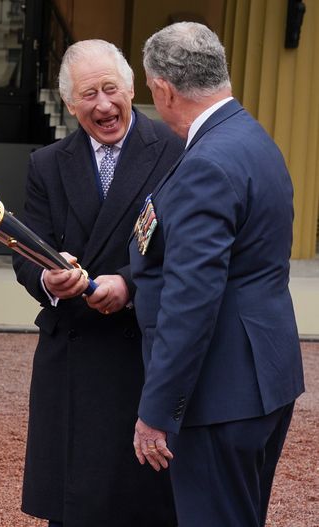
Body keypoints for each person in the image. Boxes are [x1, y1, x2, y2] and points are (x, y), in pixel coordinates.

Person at [130, 22, 305, 527]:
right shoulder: (252, 137)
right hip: (264, 377)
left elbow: (192, 299)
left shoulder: (207, 160)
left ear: (162, 90)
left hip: (219, 393)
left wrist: (157, 411)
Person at [13, 39, 184, 527]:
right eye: (89, 95)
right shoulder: (47, 163)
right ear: (70, 104)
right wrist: (48, 275)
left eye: (111, 89)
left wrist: (130, 284)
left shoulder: (174, 151)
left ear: (131, 89)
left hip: (141, 353)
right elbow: (28, 252)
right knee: (76, 508)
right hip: (71, 357)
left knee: (141, 505)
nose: (104, 105)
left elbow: (185, 251)